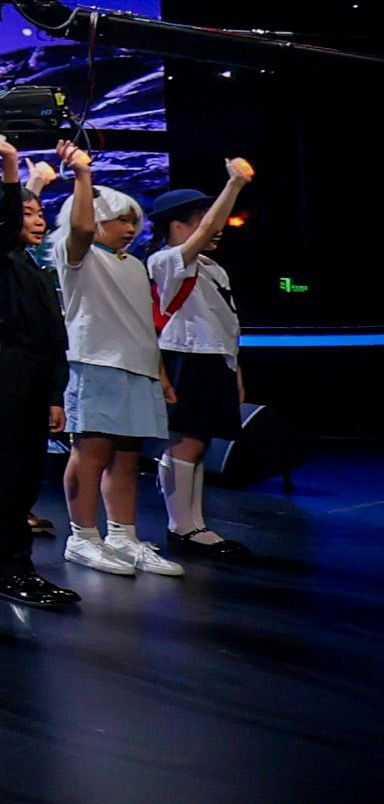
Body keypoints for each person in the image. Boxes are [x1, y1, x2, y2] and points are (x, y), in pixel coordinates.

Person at [54, 144, 179, 578]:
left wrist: (160, 374)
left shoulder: (134, 266)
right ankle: (82, 536)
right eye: (119, 220)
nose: (130, 228)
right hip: (96, 362)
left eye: (132, 220)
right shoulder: (79, 256)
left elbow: (143, 325)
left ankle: (123, 536)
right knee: (91, 451)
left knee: (127, 455)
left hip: (138, 367)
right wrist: (82, 175)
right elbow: (81, 227)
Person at [0, 159, 80, 610]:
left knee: (26, 475)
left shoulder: (29, 264)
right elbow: (3, 220)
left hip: (31, 371)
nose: (38, 221)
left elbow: (51, 335)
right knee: (1, 476)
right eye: (26, 213)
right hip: (1, 367)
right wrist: (11, 167)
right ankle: (1, 571)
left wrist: (54, 394)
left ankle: (21, 567)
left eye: (39, 212)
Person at [150, 162, 259, 563]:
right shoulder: (165, 261)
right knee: (187, 440)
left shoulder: (214, 268)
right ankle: (183, 526)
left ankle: (194, 523)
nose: (215, 226)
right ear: (176, 225)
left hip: (215, 360)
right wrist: (235, 184)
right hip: (187, 356)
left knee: (201, 443)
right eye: (201, 218)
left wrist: (235, 368)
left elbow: (224, 323)